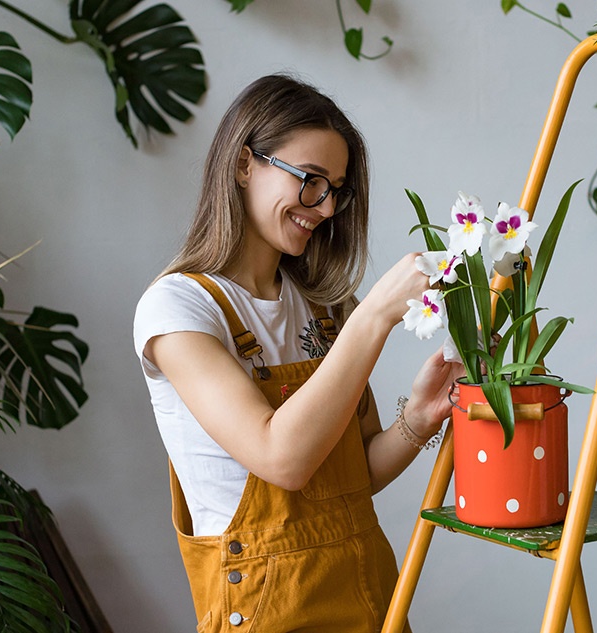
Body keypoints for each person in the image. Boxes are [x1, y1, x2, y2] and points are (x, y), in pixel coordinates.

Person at [133, 73, 460, 632]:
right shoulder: (178, 309)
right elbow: (282, 459)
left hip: (370, 596)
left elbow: (355, 473)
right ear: (243, 164)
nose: (326, 207)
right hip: (269, 611)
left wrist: (419, 419)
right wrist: (376, 315)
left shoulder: (327, 307)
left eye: (336, 188)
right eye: (311, 180)